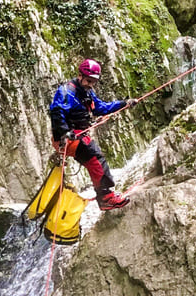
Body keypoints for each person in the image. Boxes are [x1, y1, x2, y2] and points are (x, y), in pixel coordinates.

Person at [49, 59, 138, 210]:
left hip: (78, 135)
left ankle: (105, 196)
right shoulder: (67, 92)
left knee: (95, 158)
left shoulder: (87, 93)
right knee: (95, 158)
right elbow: (57, 113)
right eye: (88, 81)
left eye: (93, 82)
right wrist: (65, 133)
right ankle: (105, 198)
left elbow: (100, 108)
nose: (90, 84)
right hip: (67, 138)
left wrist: (124, 104)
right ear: (80, 76)